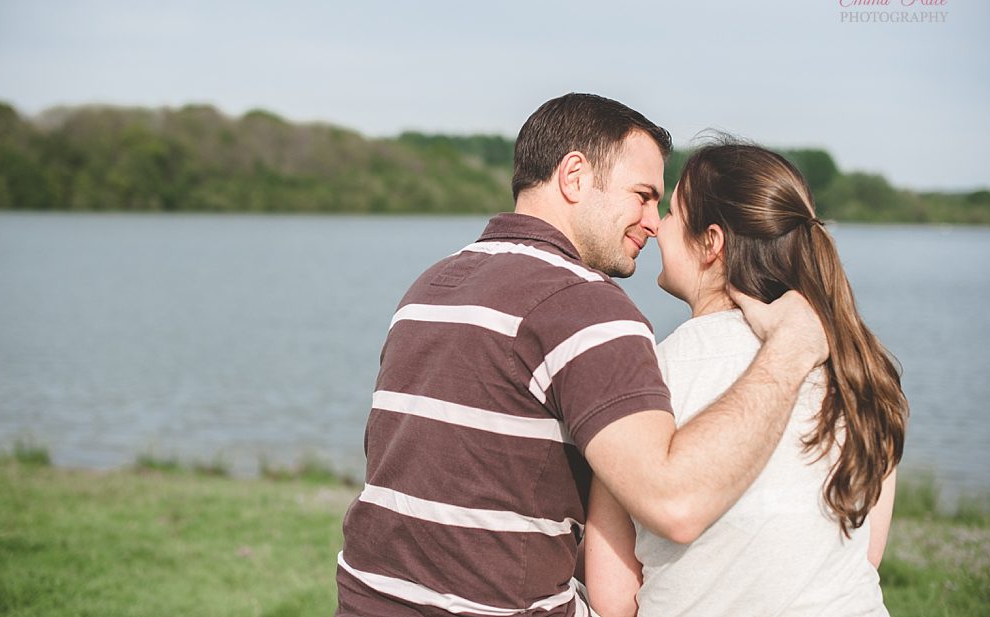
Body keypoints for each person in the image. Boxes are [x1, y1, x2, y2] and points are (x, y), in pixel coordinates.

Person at [335, 95, 829, 617]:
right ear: (574, 176)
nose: (654, 222)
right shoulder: (585, 306)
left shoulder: (429, 289)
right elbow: (676, 505)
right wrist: (791, 350)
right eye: (642, 196)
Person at [584, 140, 909, 617]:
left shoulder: (648, 371)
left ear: (712, 242)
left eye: (672, 212)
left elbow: (613, 600)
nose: (656, 227)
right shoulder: (860, 368)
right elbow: (865, 554)